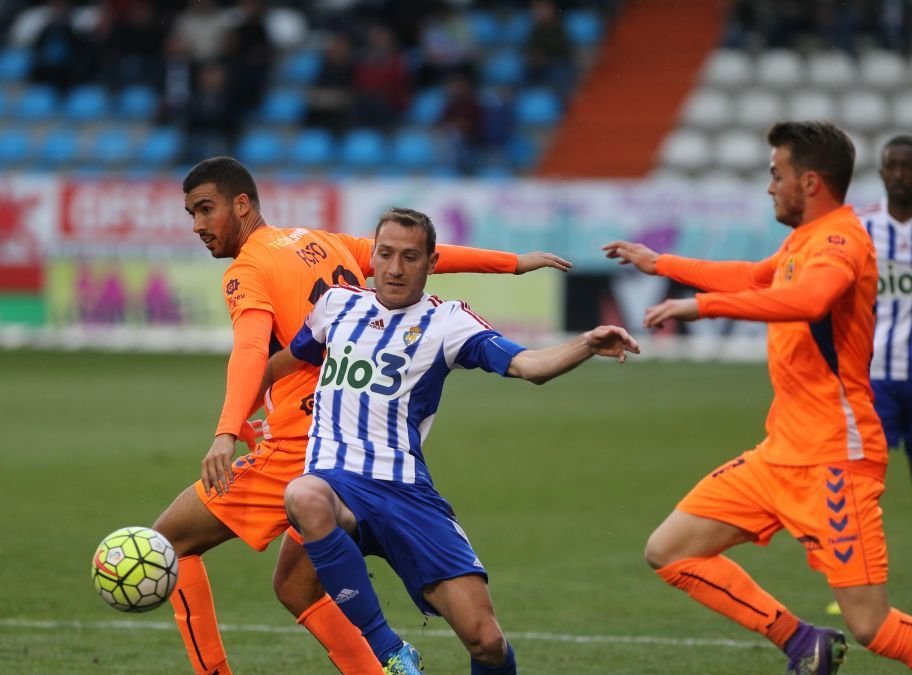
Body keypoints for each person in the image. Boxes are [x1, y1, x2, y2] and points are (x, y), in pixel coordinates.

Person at [150, 156, 572, 675]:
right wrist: (511, 262)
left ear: (241, 205)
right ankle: (388, 668)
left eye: (205, 210)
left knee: (168, 542)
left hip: (305, 448)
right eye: (191, 213)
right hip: (352, 437)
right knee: (296, 585)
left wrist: (224, 432)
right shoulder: (319, 241)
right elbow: (416, 254)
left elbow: (252, 351)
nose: (197, 225)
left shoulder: (248, 270)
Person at [271, 207, 638, 674]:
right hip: (336, 486)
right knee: (303, 493)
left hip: (407, 495)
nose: (395, 268)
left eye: (409, 257)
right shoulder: (336, 305)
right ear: (373, 257)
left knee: (486, 641)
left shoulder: (448, 322)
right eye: (384, 254)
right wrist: (241, 409)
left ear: (432, 261)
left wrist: (587, 344)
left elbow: (529, 366)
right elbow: (288, 359)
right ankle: (389, 652)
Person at [603, 120, 912, 673]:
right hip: (779, 457)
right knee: (669, 550)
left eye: (777, 175)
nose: (770, 186)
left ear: (811, 182)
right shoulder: (804, 239)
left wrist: (701, 307)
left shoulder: (841, 241)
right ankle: (801, 641)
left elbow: (810, 300)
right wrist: (663, 265)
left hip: (833, 462)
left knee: (871, 626)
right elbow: (753, 277)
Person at [860, 135, 912, 476]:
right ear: (881, 173)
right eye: (892, 166)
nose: (900, 175)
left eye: (907, 167)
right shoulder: (860, 227)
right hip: (874, 373)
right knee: (862, 475)